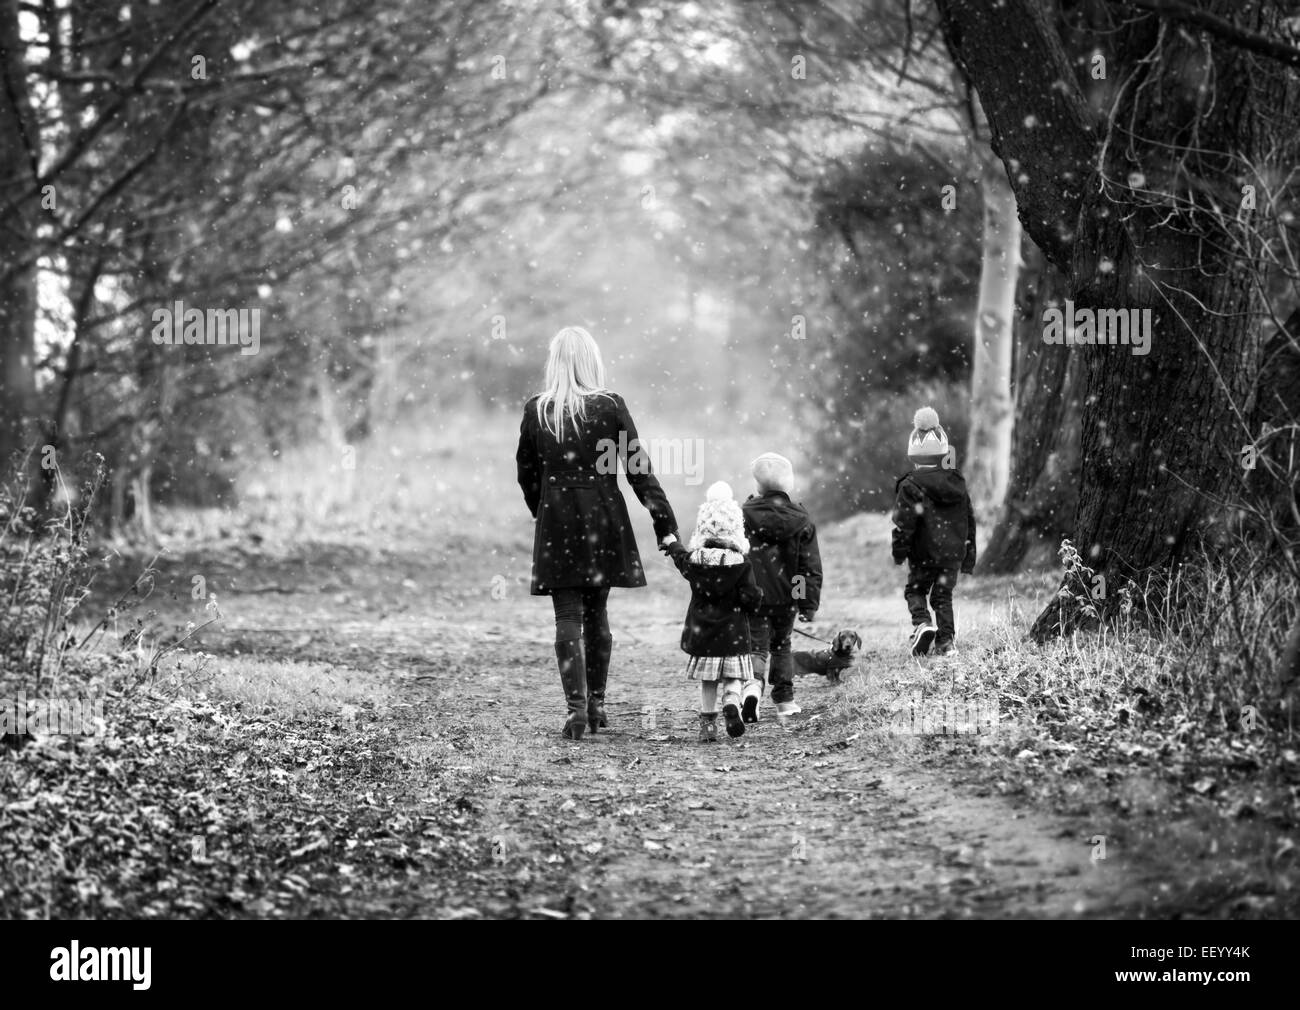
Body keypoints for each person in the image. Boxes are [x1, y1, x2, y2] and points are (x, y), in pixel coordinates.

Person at [516, 326, 680, 739]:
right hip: (603, 517)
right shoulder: (609, 406)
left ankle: (575, 708)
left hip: (557, 519)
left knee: (567, 616)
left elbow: (527, 474)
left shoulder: (537, 410)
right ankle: (597, 704)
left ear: (555, 363)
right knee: (597, 614)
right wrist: (665, 524)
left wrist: (544, 509)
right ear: (592, 361)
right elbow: (637, 469)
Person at [662, 482, 764, 742]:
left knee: (708, 683)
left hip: (705, 634)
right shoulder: (741, 563)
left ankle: (708, 726)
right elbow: (750, 599)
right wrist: (754, 599)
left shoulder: (696, 561)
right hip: (734, 635)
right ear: (736, 528)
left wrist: (673, 543)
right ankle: (731, 700)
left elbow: (680, 559)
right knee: (734, 677)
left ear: (702, 527)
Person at [890, 407, 976, 657]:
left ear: (913, 456)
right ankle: (946, 643)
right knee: (942, 596)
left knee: (915, 590)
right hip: (952, 554)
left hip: (923, 553)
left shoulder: (910, 485)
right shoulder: (957, 482)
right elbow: (969, 521)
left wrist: (899, 552)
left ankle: (922, 624)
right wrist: (968, 556)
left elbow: (903, 524)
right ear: (943, 453)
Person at [741, 452, 822, 719]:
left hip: (754, 595)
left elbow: (738, 557)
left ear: (757, 486)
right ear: (789, 485)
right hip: (786, 599)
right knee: (781, 645)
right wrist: (804, 603)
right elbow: (807, 567)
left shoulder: (744, 515)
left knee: (756, 646)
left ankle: (752, 687)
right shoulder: (801, 520)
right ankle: (785, 700)